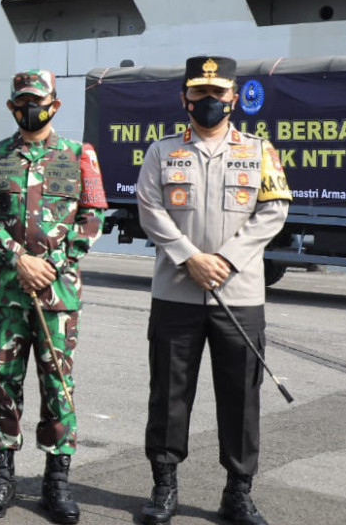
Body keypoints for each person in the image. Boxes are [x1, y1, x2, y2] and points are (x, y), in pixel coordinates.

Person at [135, 56, 291, 525]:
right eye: (199, 94)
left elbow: (274, 209)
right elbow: (149, 207)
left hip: (239, 295)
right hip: (176, 293)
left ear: (234, 97)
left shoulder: (259, 151)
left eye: (217, 94)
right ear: (184, 98)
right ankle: (164, 487)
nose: (208, 102)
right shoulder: (162, 152)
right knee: (169, 393)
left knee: (241, 397)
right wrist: (189, 257)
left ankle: (238, 493)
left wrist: (224, 260)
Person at [0, 69, 107, 523]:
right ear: (12, 107)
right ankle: (2, 477)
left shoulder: (78, 155)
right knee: (4, 383)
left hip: (58, 296)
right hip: (7, 294)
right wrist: (18, 260)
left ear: (56, 104)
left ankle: (57, 482)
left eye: (39, 100)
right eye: (23, 101)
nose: (32, 108)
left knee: (58, 386)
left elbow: (92, 218)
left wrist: (53, 266)